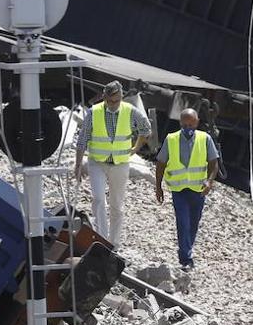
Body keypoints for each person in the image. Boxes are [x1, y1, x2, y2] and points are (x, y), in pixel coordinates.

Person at [74, 80, 151, 247]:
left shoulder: (130, 111)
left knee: (117, 205)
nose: (113, 104)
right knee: (99, 200)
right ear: (104, 98)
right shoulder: (94, 112)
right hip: (97, 163)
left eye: (116, 100)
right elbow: (82, 140)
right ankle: (102, 239)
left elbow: (146, 128)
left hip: (120, 164)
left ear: (122, 97)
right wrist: (78, 165)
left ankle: (114, 243)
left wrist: (136, 147)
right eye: (110, 101)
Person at [153, 109, 222, 271]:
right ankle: (186, 258)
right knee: (182, 222)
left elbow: (214, 164)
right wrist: (158, 186)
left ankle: (186, 250)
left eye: (191, 124)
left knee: (193, 224)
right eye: (184, 124)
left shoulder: (205, 139)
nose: (187, 128)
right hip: (179, 190)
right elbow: (161, 164)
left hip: (198, 190)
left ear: (197, 122)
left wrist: (209, 182)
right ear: (180, 123)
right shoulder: (171, 139)